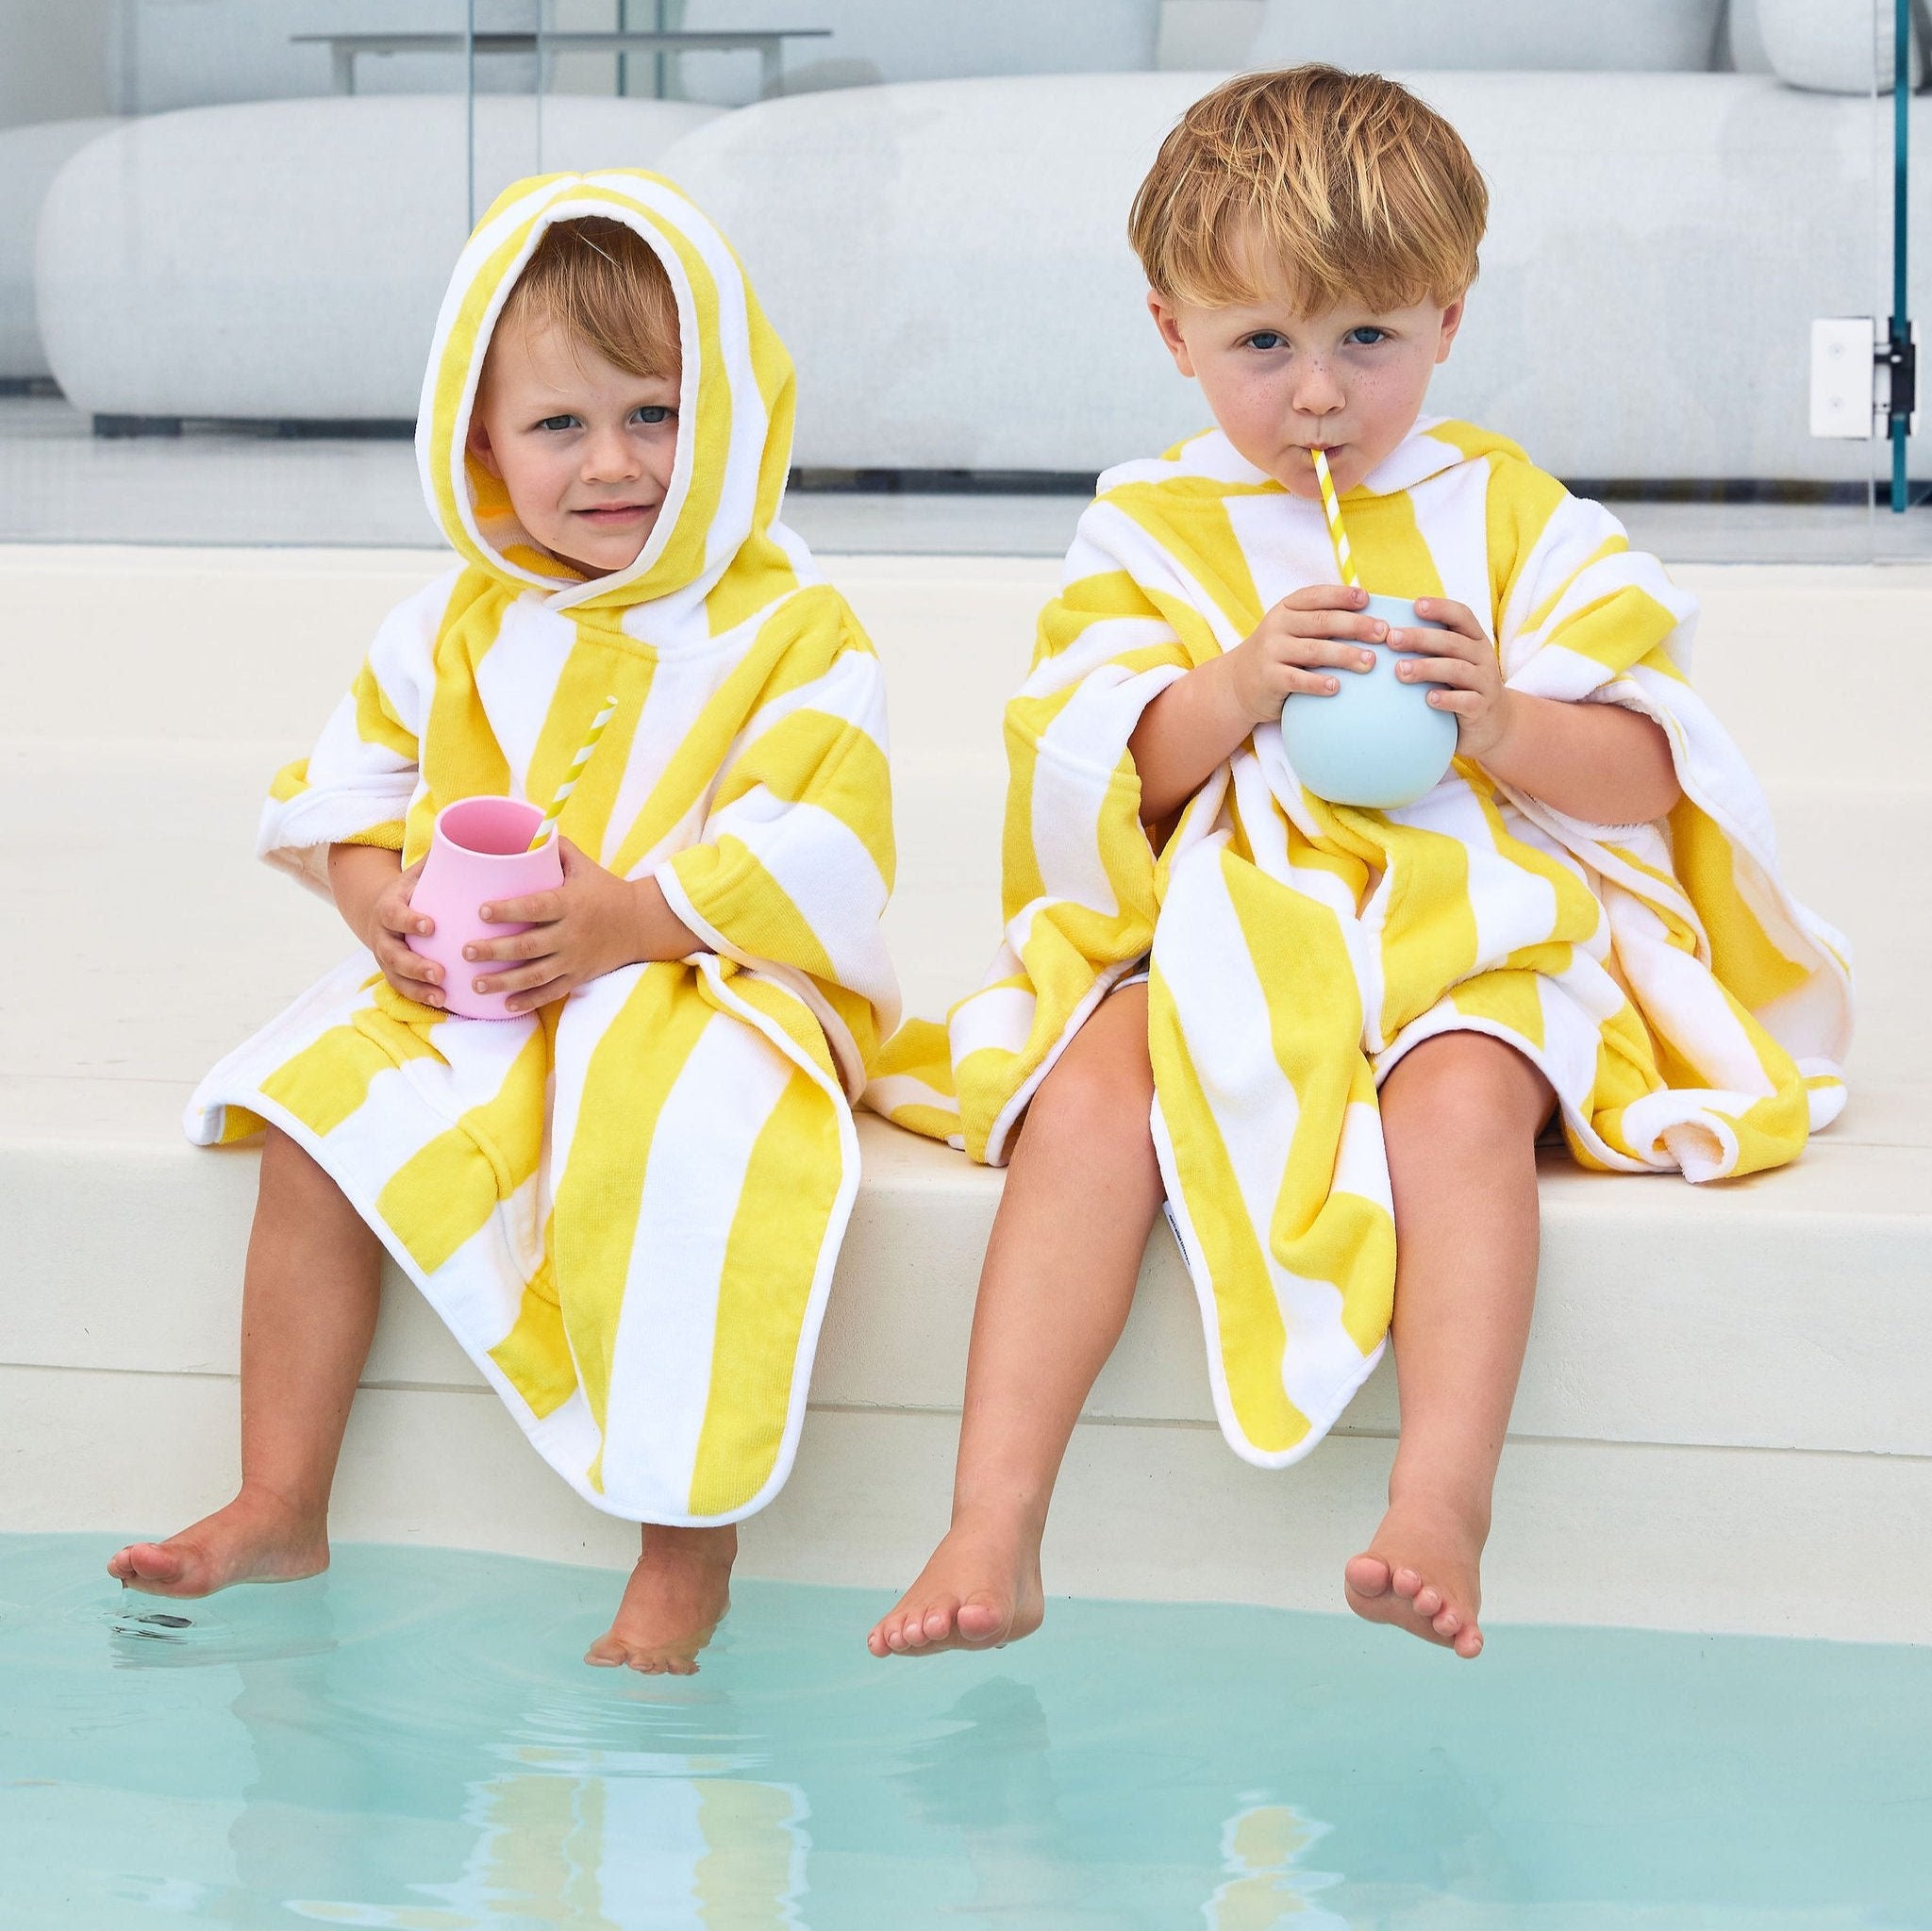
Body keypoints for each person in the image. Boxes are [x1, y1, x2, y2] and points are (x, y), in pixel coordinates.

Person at [865, 65, 1851, 1663]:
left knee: (1461, 1101)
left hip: (1473, 927)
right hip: (1226, 929)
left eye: (1367, 340)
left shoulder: (1514, 517)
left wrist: (1501, 721)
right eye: (1262, 344)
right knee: (1091, 1093)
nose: (1317, 396)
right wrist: (1233, 687)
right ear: (1172, 332)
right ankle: (995, 1512)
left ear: (1448, 322)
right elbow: (1097, 775)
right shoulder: (1149, 528)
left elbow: (1657, 774)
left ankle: (1442, 1498)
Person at [108, 172, 899, 1676]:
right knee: (317, 1113)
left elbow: (827, 834)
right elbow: (347, 786)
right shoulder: (456, 623)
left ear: (731, 414)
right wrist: (377, 904)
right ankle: (281, 1499)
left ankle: (686, 1547)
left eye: (656, 414)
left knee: (678, 1126)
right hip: (484, 982)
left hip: (700, 972)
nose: (614, 464)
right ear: (479, 442)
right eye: (558, 425)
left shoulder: (794, 629)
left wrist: (638, 918)